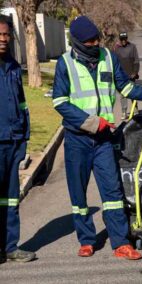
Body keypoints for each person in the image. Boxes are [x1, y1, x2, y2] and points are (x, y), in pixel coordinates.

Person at [52, 16, 142, 260]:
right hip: (77, 139)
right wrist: (92, 122)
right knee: (78, 194)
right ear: (78, 42)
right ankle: (86, 240)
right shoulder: (65, 64)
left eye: (97, 39)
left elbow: (126, 88)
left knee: (112, 192)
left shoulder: (108, 58)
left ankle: (121, 243)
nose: (95, 44)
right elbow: (60, 102)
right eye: (89, 41)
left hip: (104, 140)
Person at [0, 16, 36, 263]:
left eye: (6, 35)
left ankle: (10, 246)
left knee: (11, 198)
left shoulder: (13, 65)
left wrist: (25, 135)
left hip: (13, 140)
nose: (3, 39)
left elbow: (22, 103)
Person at [114, 32, 140, 119]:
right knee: (123, 95)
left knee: (133, 93)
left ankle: (136, 111)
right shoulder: (117, 49)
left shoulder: (132, 47)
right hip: (121, 77)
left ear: (127, 38)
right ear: (120, 40)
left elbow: (136, 61)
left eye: (125, 39)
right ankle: (124, 112)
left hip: (131, 75)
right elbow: (115, 62)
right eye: (122, 39)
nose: (123, 41)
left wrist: (135, 72)